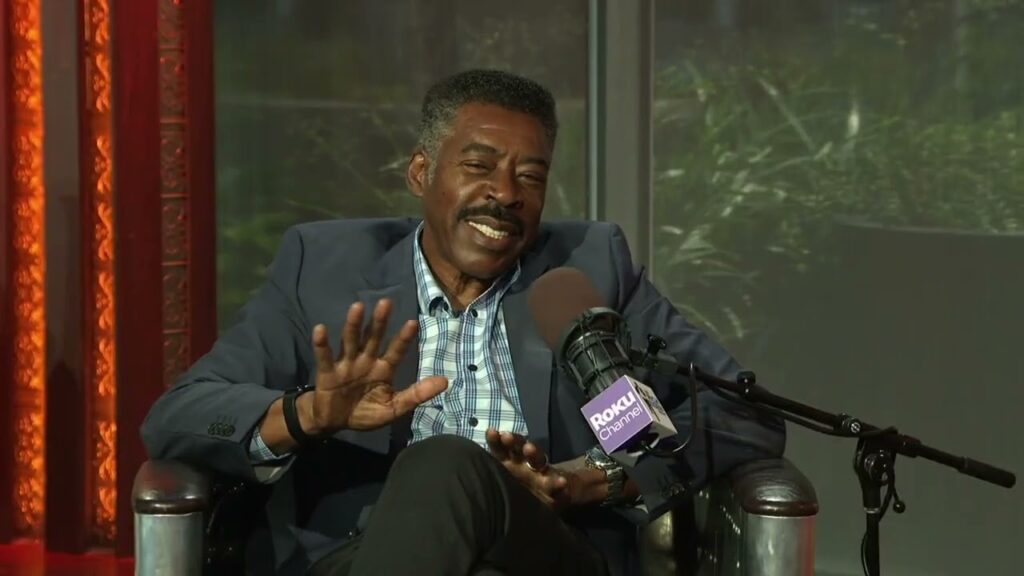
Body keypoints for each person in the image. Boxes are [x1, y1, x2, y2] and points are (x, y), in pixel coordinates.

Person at [141, 69, 785, 576]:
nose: (505, 194)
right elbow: (177, 415)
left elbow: (742, 413)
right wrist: (309, 413)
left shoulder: (585, 277)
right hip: (357, 555)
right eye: (478, 167)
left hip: (547, 553)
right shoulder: (323, 271)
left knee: (447, 464)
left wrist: (598, 476)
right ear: (421, 172)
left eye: (530, 177)